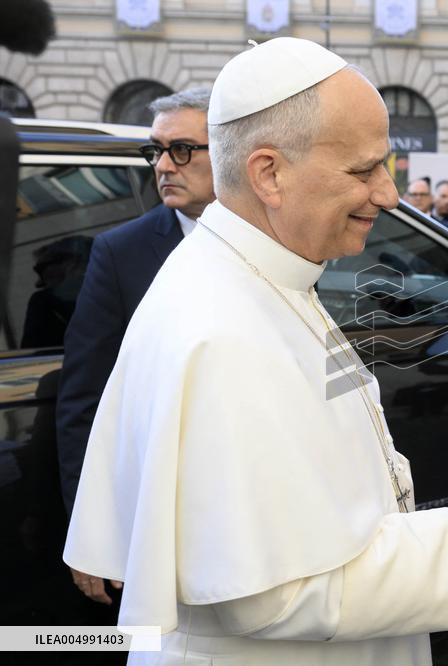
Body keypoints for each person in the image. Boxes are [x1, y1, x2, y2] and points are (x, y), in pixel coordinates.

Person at [63, 38, 448, 664]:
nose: (387, 194)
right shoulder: (221, 325)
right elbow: (278, 591)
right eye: (363, 169)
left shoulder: (258, 273)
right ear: (269, 172)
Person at [56, 87, 217, 606]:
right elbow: (85, 399)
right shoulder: (120, 253)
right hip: (160, 514)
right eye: (157, 150)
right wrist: (95, 531)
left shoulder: (285, 238)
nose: (165, 165)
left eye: (184, 149)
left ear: (232, 151)